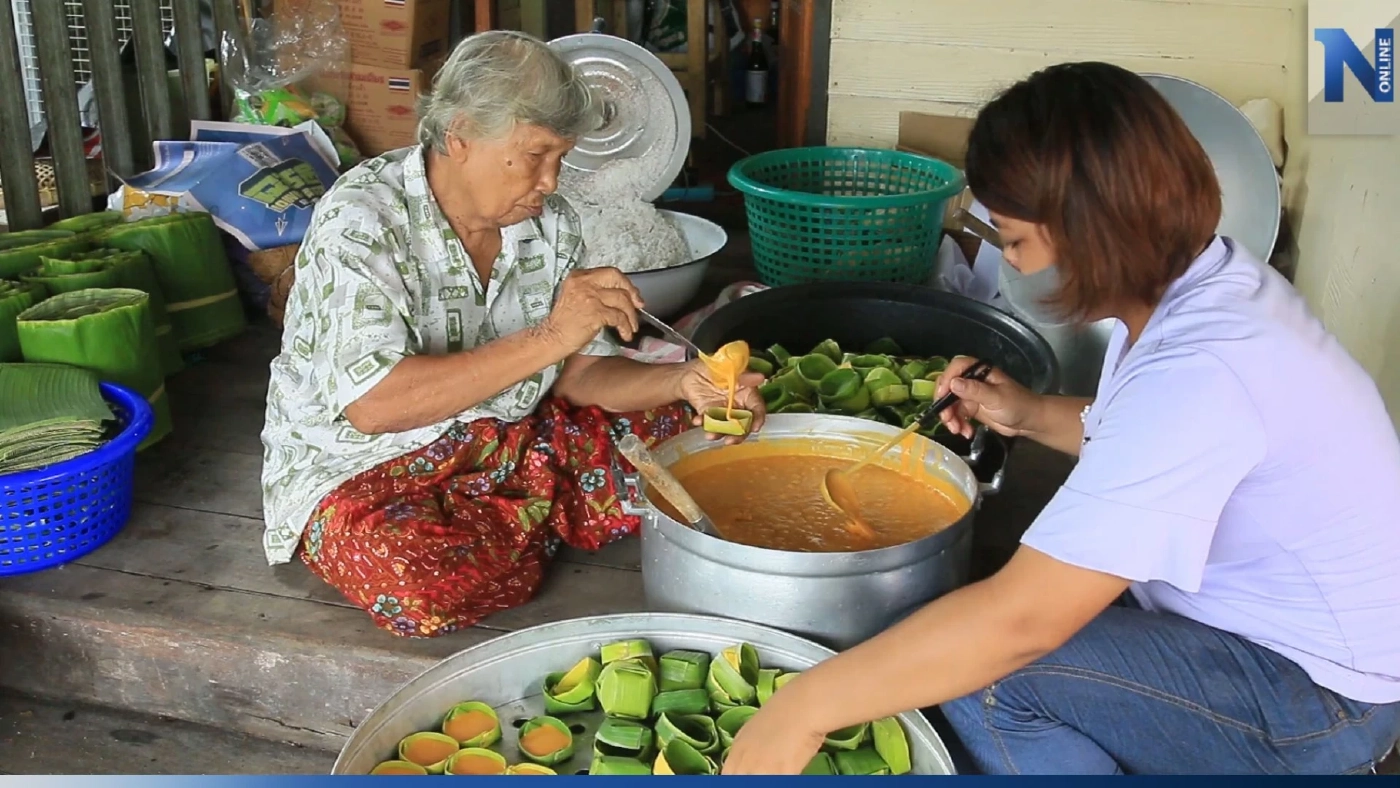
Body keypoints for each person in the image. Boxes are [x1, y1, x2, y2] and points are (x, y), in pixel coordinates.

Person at [722, 62, 1400, 775]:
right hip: (1263, 635)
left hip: (1316, 698)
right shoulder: (1209, 288)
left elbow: (1023, 624)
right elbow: (1147, 450)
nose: (1010, 263)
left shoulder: (1205, 369)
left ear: (1089, 232)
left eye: (1013, 240)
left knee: (986, 676)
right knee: (933, 640)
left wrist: (799, 711)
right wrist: (1032, 413)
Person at [259, 31, 764, 638]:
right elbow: (374, 406)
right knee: (415, 582)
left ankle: (518, 505)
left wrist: (683, 381)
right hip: (366, 463)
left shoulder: (551, 224)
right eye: (535, 155)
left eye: (561, 158)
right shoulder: (363, 220)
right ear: (460, 135)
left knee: (699, 438)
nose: (551, 180)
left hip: (508, 434)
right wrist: (553, 334)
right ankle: (536, 508)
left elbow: (578, 375)